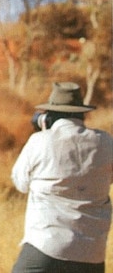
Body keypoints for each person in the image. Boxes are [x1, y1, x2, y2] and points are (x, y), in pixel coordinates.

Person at [11, 82, 113, 273]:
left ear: (49, 116)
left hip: (46, 247)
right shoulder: (106, 142)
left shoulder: (40, 141)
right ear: (82, 113)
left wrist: (43, 135)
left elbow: (21, 183)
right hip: (92, 254)